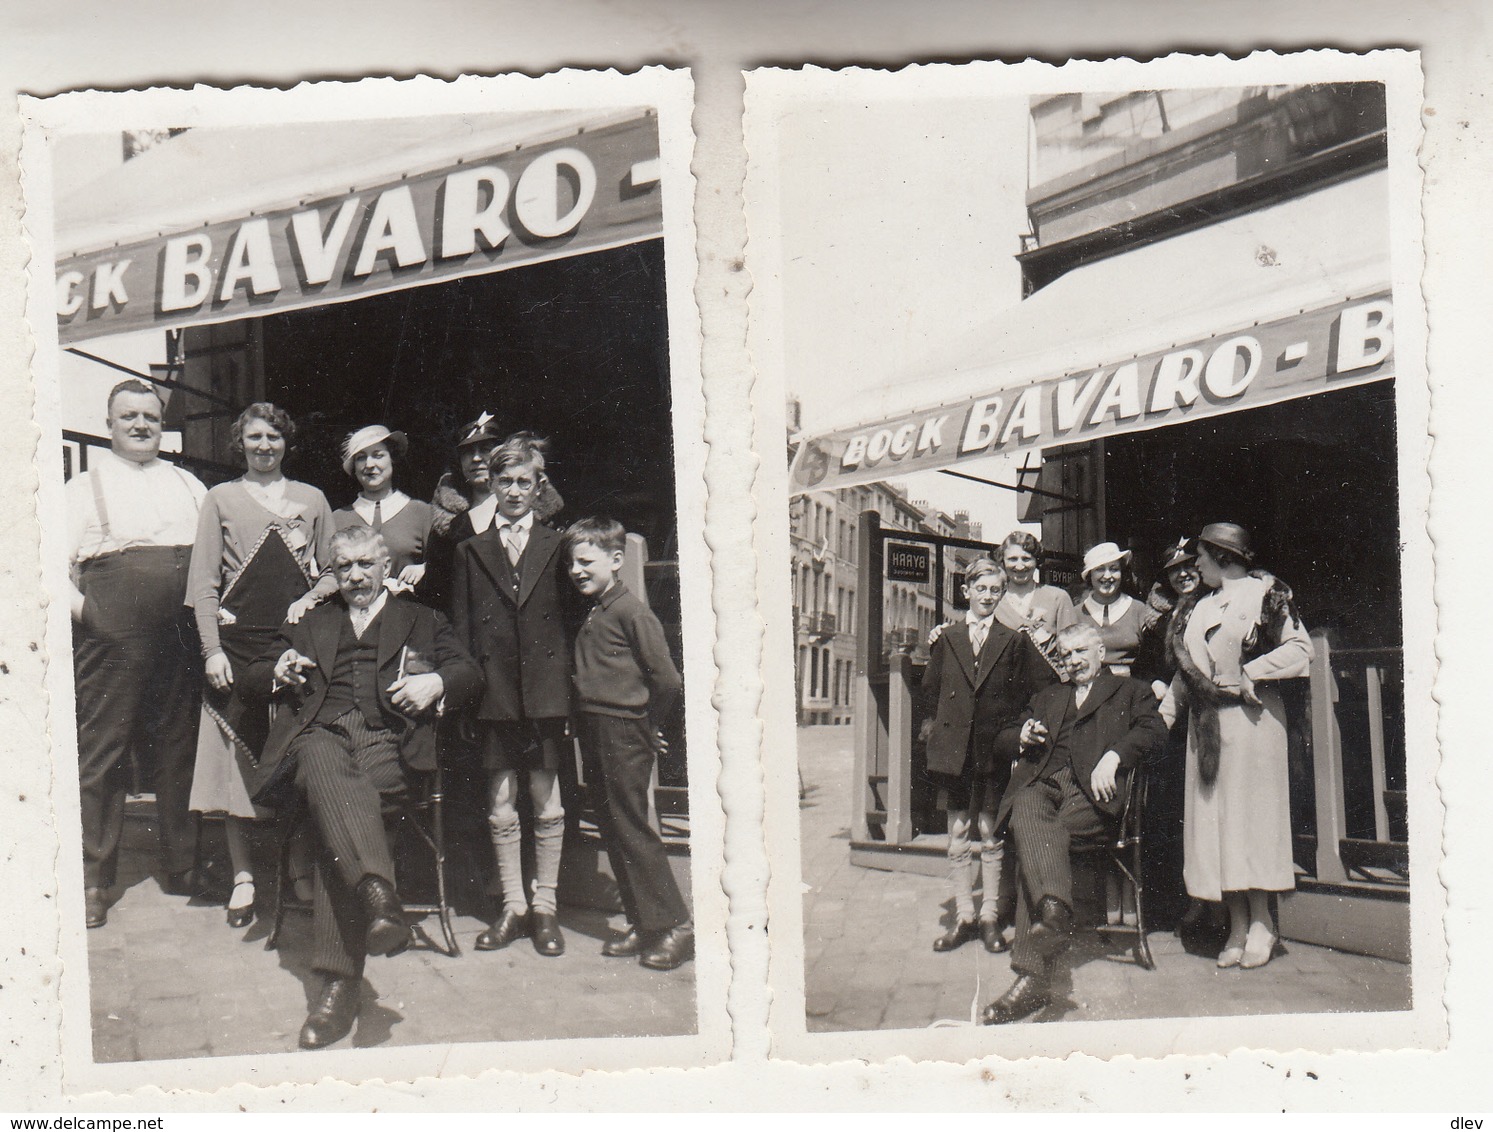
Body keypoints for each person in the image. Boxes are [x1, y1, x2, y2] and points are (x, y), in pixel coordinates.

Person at [239, 527, 480, 1049]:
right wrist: (280, 668)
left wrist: (434, 682)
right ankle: (378, 897)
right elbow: (254, 673)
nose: (355, 576)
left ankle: (339, 986)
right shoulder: (312, 621)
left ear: (385, 565)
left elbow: (468, 671)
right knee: (328, 772)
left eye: (365, 565)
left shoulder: (421, 619)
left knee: (336, 817)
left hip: (387, 739)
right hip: (320, 734)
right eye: (344, 566)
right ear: (333, 570)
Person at [186, 403, 339, 930]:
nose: (264, 445)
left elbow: (334, 573)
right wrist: (211, 651)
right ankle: (244, 878)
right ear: (240, 443)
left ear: (285, 441)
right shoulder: (219, 499)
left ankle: (297, 868)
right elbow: (203, 585)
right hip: (237, 651)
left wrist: (312, 596)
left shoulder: (313, 500)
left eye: (273, 435)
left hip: (297, 650)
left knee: (297, 759)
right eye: (254, 437)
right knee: (236, 763)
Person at [67, 379, 209, 929]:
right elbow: (44, 572)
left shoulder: (188, 483)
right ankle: (94, 880)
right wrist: (91, 617)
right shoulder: (84, 486)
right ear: (110, 423)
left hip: (180, 626)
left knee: (179, 743)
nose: (140, 425)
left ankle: (182, 865)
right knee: (103, 751)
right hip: (113, 629)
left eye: (149, 416)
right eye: (128, 416)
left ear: (160, 423)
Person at [980, 624, 1167, 1025]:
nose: (1074, 661)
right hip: (1043, 786)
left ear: (1101, 651)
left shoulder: (1130, 691)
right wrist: (1022, 734)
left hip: (1091, 795)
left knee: (1037, 841)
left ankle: (1032, 979)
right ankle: (1056, 912)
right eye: (1066, 655)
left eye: (1082, 651)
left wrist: (1115, 756)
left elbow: (1156, 733)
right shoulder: (1050, 695)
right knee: (1027, 805)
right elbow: (1003, 737)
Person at [1161, 522, 1313, 970]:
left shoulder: (1266, 593)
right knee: (1218, 827)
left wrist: (1254, 672)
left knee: (1254, 824)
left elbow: (1301, 649)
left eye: (1203, 558)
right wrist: (1162, 718)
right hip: (1207, 731)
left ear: (1224, 557)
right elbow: (1185, 674)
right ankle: (1238, 923)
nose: (1197, 567)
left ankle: (1264, 923)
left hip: (1253, 725)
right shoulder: (1195, 607)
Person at [451, 434, 577, 957]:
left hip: (546, 694)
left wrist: (569, 694)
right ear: (491, 483)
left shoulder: (558, 545)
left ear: (538, 485)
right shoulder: (469, 550)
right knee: (501, 800)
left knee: (546, 798)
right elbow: (460, 631)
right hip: (494, 693)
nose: (515, 491)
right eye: (505, 481)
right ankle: (513, 906)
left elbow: (571, 624)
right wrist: (463, 695)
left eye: (525, 481)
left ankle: (545, 907)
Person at [565, 517, 694, 970]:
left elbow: (668, 679)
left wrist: (647, 724)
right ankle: (645, 924)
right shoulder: (596, 608)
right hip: (597, 729)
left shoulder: (631, 611)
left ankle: (678, 926)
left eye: (586, 561)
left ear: (616, 560)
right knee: (614, 828)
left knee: (632, 829)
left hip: (623, 731)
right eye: (572, 563)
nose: (576, 570)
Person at [916, 558, 1055, 955]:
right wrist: (936, 731)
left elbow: (1042, 689)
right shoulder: (946, 638)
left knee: (991, 834)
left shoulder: (1014, 640)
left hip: (992, 751)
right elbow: (930, 690)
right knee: (959, 833)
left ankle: (990, 916)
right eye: (982, 589)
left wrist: (1022, 730)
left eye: (996, 590)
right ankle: (964, 917)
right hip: (954, 753)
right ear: (967, 591)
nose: (989, 597)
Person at [1133, 537, 1203, 930]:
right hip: (1173, 727)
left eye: (1189, 565)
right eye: (1175, 570)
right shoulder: (1159, 620)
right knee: (1169, 811)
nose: (1183, 574)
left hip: (1210, 719)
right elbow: (1145, 667)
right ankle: (1171, 905)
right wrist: (1156, 684)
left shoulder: (1212, 609)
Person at [426, 415, 563, 612]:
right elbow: (437, 589)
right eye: (467, 452)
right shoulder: (448, 522)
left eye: (485, 449)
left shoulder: (544, 515)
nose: (476, 458)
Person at [334, 425, 434, 598]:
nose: (369, 465)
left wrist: (426, 568)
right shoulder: (338, 518)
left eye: (378, 455)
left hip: (409, 612)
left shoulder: (422, 512)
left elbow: (445, 569)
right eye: (361, 458)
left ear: (392, 459)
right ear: (354, 467)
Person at [993, 531, 1076, 675]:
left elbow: (1073, 647)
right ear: (1003, 562)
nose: (1020, 566)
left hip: (1049, 686)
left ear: (1037, 561)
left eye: (1026, 559)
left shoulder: (1058, 598)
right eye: (1012, 559)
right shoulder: (994, 602)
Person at [1075, 541, 1150, 676]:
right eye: (1100, 569)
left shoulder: (1138, 609)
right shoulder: (1076, 613)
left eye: (1114, 569)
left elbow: (1151, 660)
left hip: (1132, 686)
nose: (1108, 576)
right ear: (1089, 575)